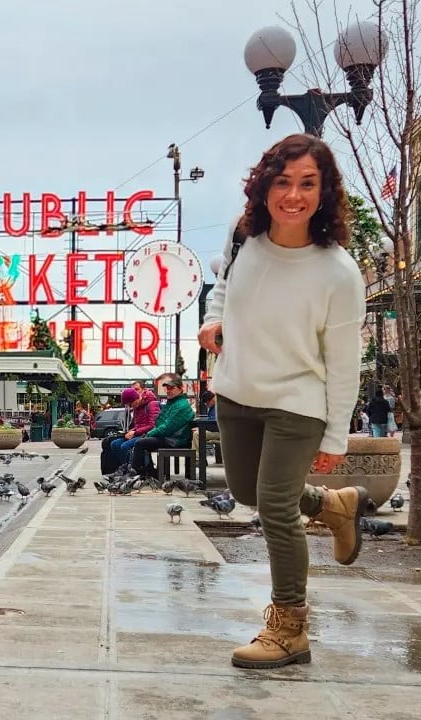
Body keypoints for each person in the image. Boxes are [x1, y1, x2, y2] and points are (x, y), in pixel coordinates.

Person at [198, 134, 368, 670]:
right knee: (247, 489)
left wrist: (336, 435)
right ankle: (331, 505)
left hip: (299, 400)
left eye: (307, 184)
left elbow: (344, 361)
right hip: (237, 392)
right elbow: (221, 288)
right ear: (265, 186)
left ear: (324, 192)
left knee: (273, 506)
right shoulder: (243, 235)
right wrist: (211, 321)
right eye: (283, 181)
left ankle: (290, 627)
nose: (293, 195)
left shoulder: (338, 272)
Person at [128, 374, 194, 478]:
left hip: (174, 440)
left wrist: (149, 433)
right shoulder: (173, 403)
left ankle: (137, 473)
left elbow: (167, 427)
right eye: (167, 388)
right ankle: (148, 472)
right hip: (170, 437)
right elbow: (160, 423)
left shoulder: (181, 405)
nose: (168, 391)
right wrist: (149, 433)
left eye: (172, 388)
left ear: (181, 389)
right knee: (141, 442)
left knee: (140, 443)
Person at [104, 386, 159, 476]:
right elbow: (138, 425)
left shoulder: (152, 404)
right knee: (115, 444)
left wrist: (135, 432)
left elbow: (153, 425)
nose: (130, 406)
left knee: (125, 446)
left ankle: (134, 471)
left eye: (130, 404)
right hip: (139, 434)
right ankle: (125, 468)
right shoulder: (137, 407)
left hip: (148, 435)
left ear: (136, 399)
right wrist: (131, 430)